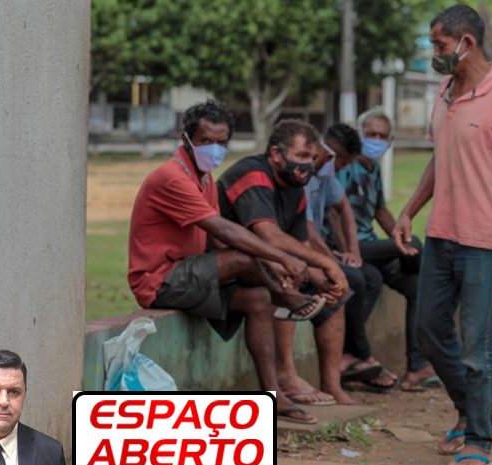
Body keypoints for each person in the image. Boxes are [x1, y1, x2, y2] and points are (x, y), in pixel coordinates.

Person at [392, 5, 492, 465]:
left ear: (467, 43)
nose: (436, 54)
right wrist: (409, 210)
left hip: (487, 240)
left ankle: (479, 437)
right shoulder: (444, 91)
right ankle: (467, 412)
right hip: (441, 234)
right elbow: (441, 158)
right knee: (429, 330)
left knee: (476, 346)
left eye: (440, 46)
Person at [128, 100, 324, 424]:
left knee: (258, 299)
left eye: (222, 142)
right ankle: (286, 295)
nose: (215, 148)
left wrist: (272, 264)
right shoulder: (172, 177)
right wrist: (279, 258)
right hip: (159, 280)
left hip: (191, 272)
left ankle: (272, 396)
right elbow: (222, 230)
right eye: (206, 141)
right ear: (187, 139)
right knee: (246, 260)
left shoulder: (204, 178)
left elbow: (216, 241)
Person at [217, 119, 356, 405]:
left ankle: (332, 385)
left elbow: (301, 245)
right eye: (302, 156)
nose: (309, 165)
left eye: (313, 158)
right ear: (277, 154)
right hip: (225, 265)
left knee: (330, 291)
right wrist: (327, 263)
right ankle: (286, 375)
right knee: (284, 279)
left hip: (263, 264)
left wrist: (323, 279)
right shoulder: (253, 173)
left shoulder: (296, 188)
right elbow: (269, 235)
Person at [331, 108, 442, 391]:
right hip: (348, 247)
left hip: (370, 246)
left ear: (390, 141)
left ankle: (417, 366)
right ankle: (351, 355)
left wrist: (397, 235)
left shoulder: (374, 168)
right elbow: (332, 211)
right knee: (415, 247)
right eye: (370, 134)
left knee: (416, 284)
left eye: (382, 136)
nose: (376, 140)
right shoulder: (346, 164)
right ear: (359, 135)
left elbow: (380, 210)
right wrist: (400, 244)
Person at [304, 123, 399, 391]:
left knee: (371, 276)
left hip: (323, 251)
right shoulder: (306, 176)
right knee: (355, 277)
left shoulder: (326, 175)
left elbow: (342, 206)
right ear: (331, 153)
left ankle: (352, 353)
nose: (344, 170)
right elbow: (309, 231)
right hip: (300, 256)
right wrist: (328, 259)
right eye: (343, 164)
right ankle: (358, 355)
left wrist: (353, 251)